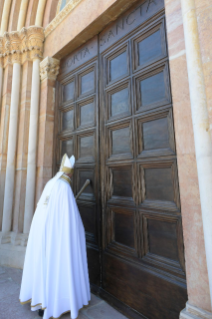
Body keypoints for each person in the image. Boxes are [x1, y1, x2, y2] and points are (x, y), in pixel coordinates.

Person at [19, 154, 90, 319]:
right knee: (56, 267)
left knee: (44, 266)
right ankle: (54, 303)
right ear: (70, 173)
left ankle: (40, 301)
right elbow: (72, 221)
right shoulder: (64, 188)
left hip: (42, 235)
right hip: (56, 238)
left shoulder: (51, 183)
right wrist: (80, 229)